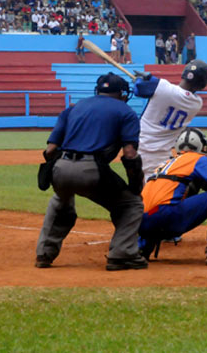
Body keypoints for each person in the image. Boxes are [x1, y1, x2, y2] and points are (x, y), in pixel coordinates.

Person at [35, 73, 148, 270]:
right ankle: (122, 255)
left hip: (60, 167)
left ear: (98, 91)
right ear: (122, 93)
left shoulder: (73, 108)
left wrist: (59, 172)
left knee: (60, 201)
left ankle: (44, 254)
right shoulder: (125, 111)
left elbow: (50, 151)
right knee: (131, 204)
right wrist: (135, 183)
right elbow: (130, 154)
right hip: (91, 169)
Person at [138, 128, 207, 265]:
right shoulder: (196, 158)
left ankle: (140, 250)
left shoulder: (165, 164)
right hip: (167, 217)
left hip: (141, 222)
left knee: (157, 207)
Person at [132, 59, 207, 183]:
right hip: (164, 154)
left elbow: (138, 89)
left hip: (141, 147)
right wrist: (147, 80)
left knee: (143, 190)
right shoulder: (197, 103)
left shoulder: (162, 87)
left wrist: (138, 79)